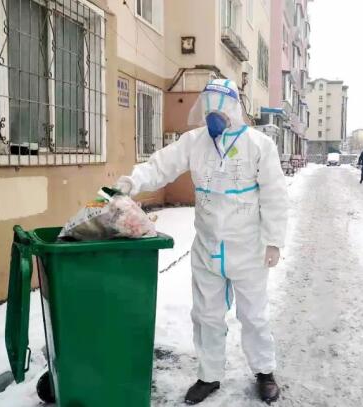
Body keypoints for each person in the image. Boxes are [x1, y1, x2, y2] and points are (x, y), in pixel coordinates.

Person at [115, 79, 288, 404]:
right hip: (208, 249)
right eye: (208, 107)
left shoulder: (259, 145)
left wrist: (274, 241)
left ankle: (264, 371)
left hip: (248, 248)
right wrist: (131, 182)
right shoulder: (194, 142)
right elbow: (160, 166)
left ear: (234, 109)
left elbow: (275, 195)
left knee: (253, 315)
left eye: (219, 108)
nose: (213, 115)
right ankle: (209, 375)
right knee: (206, 315)